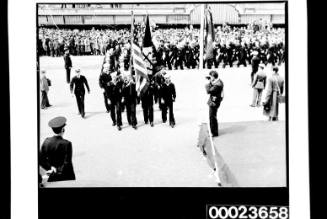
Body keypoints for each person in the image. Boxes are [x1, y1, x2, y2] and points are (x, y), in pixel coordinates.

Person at [39, 116, 76, 182]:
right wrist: (58, 170)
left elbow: (41, 159)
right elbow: (67, 163)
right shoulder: (67, 144)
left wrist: (50, 168)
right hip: (66, 176)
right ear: (62, 130)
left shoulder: (46, 141)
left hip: (52, 175)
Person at [205, 70, 224, 137]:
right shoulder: (219, 81)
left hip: (214, 102)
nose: (210, 78)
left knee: (212, 116)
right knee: (212, 116)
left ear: (213, 77)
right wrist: (211, 81)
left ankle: (214, 132)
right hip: (214, 100)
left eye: (211, 77)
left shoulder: (217, 85)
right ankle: (212, 130)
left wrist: (207, 83)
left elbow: (209, 91)